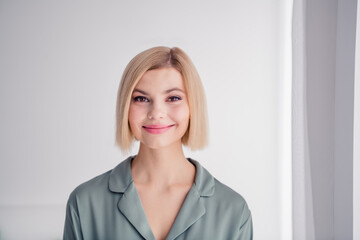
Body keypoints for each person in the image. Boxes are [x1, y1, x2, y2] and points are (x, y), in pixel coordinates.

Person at [63, 46, 253, 240]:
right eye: (141, 98)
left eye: (173, 98)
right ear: (126, 107)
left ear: (192, 107)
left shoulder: (234, 210)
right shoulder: (84, 202)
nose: (156, 113)